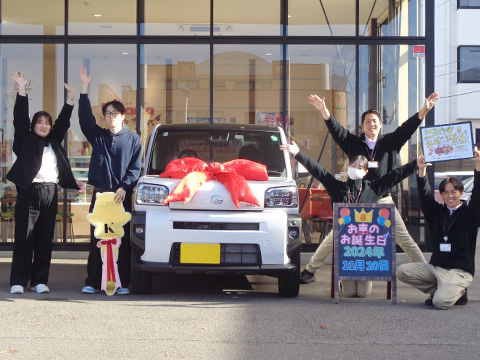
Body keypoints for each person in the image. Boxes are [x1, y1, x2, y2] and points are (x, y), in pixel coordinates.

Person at [300, 94, 439, 284]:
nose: (371, 124)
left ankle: (428, 275)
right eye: (367, 121)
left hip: (383, 200)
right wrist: (324, 110)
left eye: (374, 121)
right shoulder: (353, 143)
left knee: (406, 240)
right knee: (335, 237)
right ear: (362, 126)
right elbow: (336, 130)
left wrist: (425, 110)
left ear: (380, 124)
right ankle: (309, 270)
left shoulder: (390, 142)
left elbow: (407, 129)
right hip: (357, 201)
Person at [281, 141, 418, 297]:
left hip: (364, 247)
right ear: (347, 168)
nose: (356, 169)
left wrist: (416, 164)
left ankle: (327, 274)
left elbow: (396, 175)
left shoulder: (373, 188)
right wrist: (298, 154)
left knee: (362, 293)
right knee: (350, 292)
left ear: (366, 171)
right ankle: (335, 279)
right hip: (345, 248)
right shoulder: (337, 187)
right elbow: (319, 171)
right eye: (353, 166)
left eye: (360, 167)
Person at [7, 72, 79, 294]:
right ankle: (19, 281)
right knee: (24, 237)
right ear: (33, 126)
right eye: (39, 122)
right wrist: (21, 90)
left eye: (47, 122)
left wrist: (69, 100)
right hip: (29, 191)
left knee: (45, 238)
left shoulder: (54, 141)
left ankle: (40, 281)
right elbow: (19, 119)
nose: (44, 125)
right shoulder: (24, 141)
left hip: (50, 191)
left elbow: (63, 122)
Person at [78, 66, 142, 295]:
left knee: (121, 240)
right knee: (97, 239)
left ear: (123, 116)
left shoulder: (133, 139)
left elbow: (136, 168)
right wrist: (84, 89)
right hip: (101, 195)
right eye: (107, 114)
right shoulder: (99, 136)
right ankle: (93, 281)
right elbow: (85, 120)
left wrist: (126, 187)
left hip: (122, 196)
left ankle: (122, 282)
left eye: (115, 113)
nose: (111, 117)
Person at [396, 149, 480, 309]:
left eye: (454, 192)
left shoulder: (470, 213)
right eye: (446, 193)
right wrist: (422, 170)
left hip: (459, 271)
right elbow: (425, 196)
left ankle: (456, 291)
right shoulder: (437, 212)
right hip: (437, 268)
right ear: (441, 195)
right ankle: (442, 290)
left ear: (461, 193)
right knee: (402, 271)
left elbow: (478, 194)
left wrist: (478, 164)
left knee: (440, 302)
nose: (450, 196)